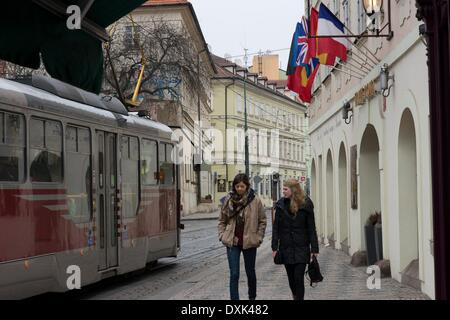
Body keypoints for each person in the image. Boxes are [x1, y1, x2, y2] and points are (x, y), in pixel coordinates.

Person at [218, 173, 267, 300]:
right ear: (234, 186)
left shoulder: (255, 200)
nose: (239, 189)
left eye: (242, 186)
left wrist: (259, 237)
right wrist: (222, 235)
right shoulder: (227, 200)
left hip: (250, 241)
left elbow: (262, 220)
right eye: (237, 186)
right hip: (232, 242)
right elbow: (222, 220)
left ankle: (252, 298)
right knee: (234, 274)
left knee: (250, 272)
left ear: (247, 186)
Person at [272, 179, 319, 300]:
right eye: (283, 189)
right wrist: (274, 247)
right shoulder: (280, 205)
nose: (283, 191)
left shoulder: (306, 204)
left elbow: (311, 228)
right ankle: (295, 296)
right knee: (291, 279)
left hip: (301, 247)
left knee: (298, 278)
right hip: (286, 247)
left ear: (293, 190)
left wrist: (314, 248)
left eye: (285, 189)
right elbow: (276, 228)